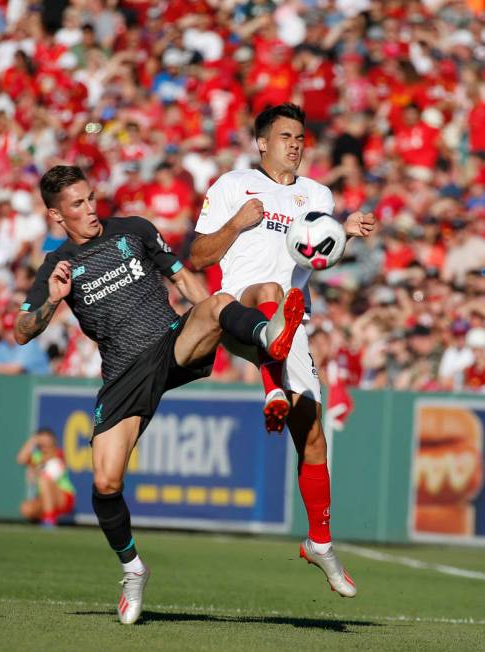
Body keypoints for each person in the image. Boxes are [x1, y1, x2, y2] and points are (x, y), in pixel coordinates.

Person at [14, 165, 305, 625]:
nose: (90, 208)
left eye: (91, 197)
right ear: (56, 215)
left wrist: (215, 310)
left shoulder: (134, 230)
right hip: (123, 376)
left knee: (215, 303)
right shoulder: (58, 265)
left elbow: (185, 280)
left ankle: (269, 335)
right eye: (78, 204)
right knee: (106, 484)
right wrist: (52, 299)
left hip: (171, 342)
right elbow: (22, 331)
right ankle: (133, 570)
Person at [190, 103, 376, 598]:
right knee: (271, 291)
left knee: (313, 437)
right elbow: (198, 255)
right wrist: (236, 224)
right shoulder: (233, 186)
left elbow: (317, 256)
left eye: (300, 137)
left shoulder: (318, 195)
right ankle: (271, 386)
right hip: (238, 309)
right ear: (262, 142)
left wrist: (344, 234)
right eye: (285, 135)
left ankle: (319, 542)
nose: (295, 144)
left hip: (293, 324)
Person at [16, 428, 76, 527]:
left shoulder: (59, 453)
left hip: (64, 497)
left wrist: (34, 471)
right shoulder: (37, 456)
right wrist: (33, 440)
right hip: (45, 499)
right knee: (26, 509)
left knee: (44, 479)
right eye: (42, 442)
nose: (45, 446)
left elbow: (51, 470)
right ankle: (47, 517)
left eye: (47, 442)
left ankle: (49, 520)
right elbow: (21, 459)